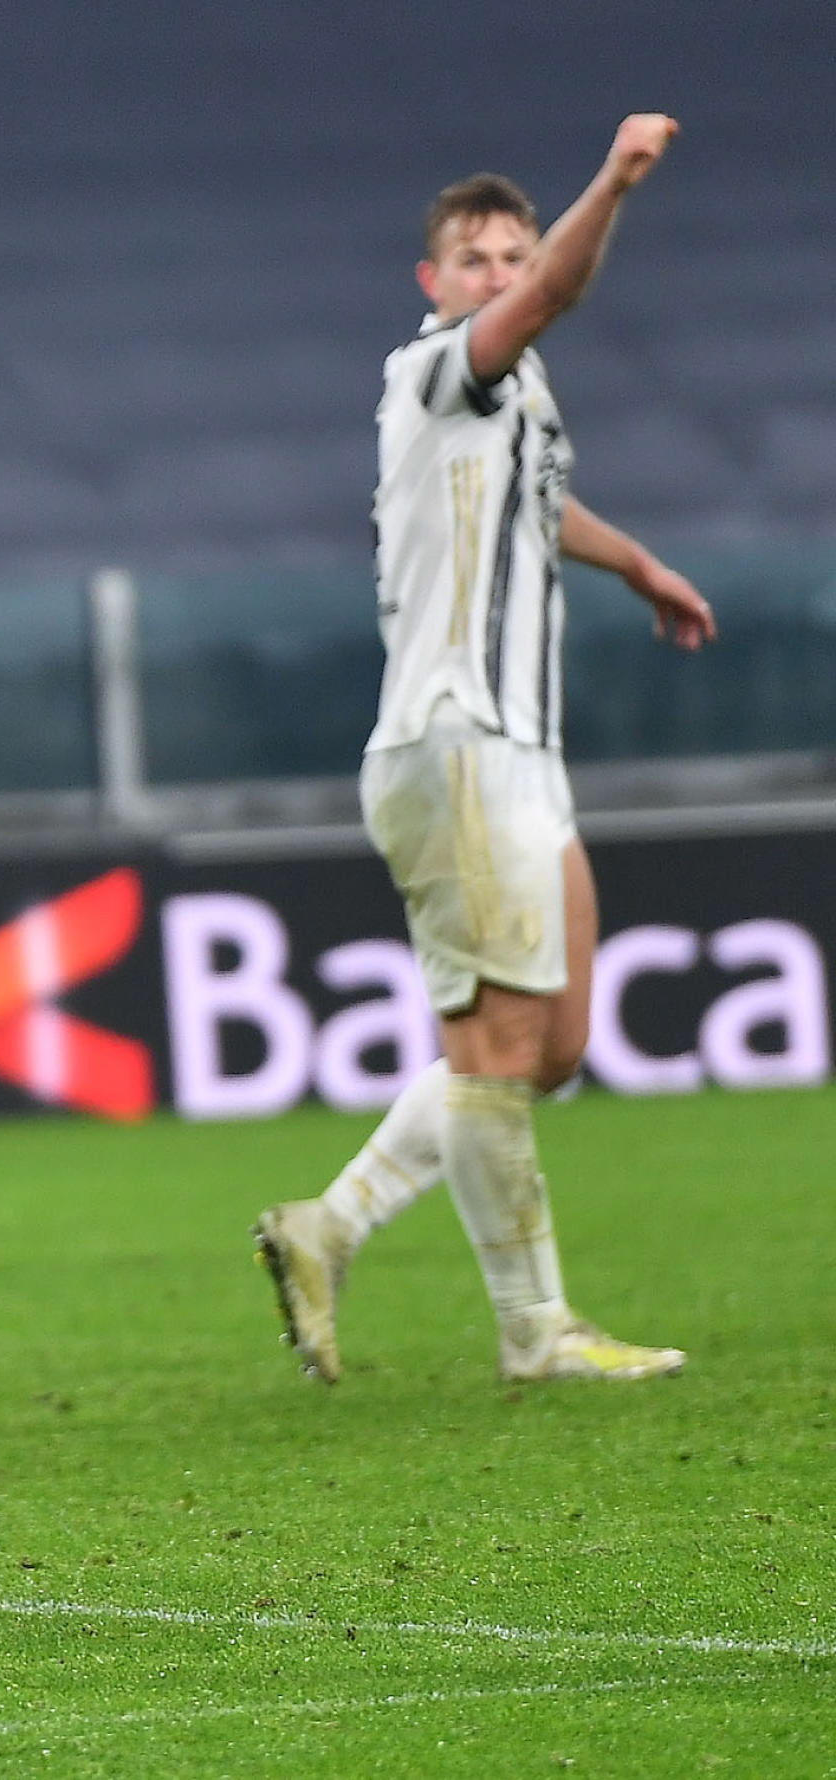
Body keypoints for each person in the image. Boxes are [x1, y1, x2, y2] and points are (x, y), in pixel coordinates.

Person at [254, 116, 711, 1387]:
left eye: (516, 253)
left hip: (521, 752)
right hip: (453, 740)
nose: (506, 272)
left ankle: (326, 1226)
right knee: (497, 1057)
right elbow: (565, 288)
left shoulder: (508, 402)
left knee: (553, 1045)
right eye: (480, 257)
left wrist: (642, 568)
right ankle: (536, 1331)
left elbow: (544, 504)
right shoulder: (439, 368)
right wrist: (614, 180)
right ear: (436, 282)